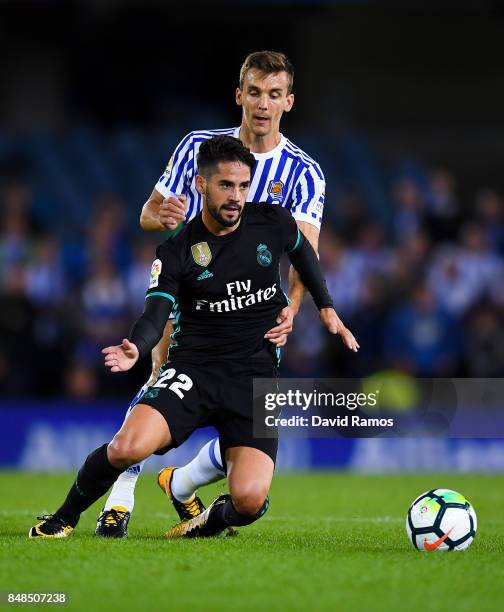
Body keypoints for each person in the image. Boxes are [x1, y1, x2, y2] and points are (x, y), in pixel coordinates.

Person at [29, 136, 357, 539]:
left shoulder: (272, 221)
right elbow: (156, 313)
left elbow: (303, 252)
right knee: (125, 448)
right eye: (225, 186)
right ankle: (63, 518)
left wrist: (325, 306)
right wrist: (138, 345)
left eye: (242, 186)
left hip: (253, 379)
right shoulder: (177, 251)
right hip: (193, 372)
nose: (236, 196)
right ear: (201, 185)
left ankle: (200, 524)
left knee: (250, 500)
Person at [97, 50, 327, 537]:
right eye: (255, 93)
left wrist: (292, 309)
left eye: (274, 94)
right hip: (191, 296)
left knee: (246, 423)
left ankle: (181, 484)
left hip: (253, 318)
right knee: (159, 385)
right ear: (239, 95)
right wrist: (158, 217)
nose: (263, 105)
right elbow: (148, 213)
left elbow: (305, 255)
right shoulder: (198, 147)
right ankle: (120, 495)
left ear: (288, 102)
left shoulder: (305, 173)